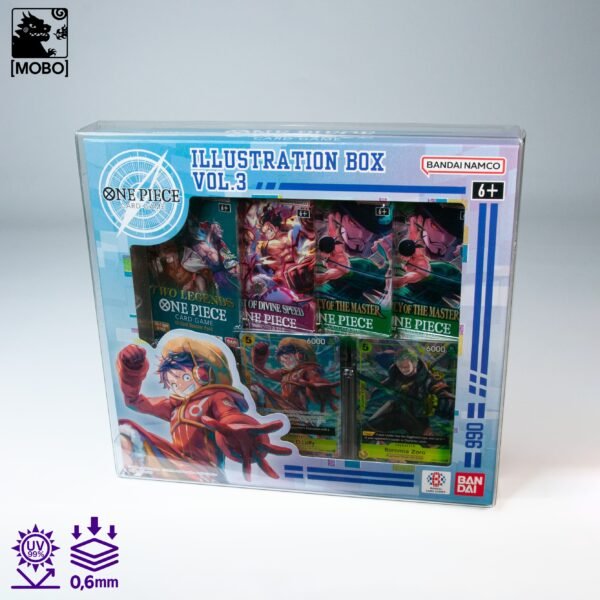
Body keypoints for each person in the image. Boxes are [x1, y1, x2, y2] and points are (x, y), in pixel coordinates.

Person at [117, 337, 291, 481]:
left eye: (184, 377)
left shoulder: (215, 397)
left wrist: (237, 430)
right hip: (180, 463)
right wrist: (131, 371)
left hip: (206, 472)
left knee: (129, 431)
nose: (178, 386)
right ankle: (139, 475)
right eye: (172, 383)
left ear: (202, 373)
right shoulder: (174, 407)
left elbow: (229, 415)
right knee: (126, 430)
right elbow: (134, 401)